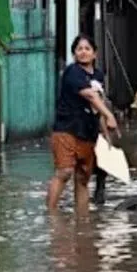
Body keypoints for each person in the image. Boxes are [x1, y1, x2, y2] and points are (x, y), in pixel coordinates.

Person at [48, 34, 120, 215]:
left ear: (94, 54)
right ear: (74, 54)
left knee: (82, 179)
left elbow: (97, 106)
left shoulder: (98, 75)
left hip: (88, 132)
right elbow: (90, 96)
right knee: (64, 172)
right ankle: (51, 215)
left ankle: (84, 222)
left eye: (87, 49)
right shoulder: (73, 72)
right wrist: (110, 114)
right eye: (79, 49)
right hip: (66, 129)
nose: (83, 52)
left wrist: (106, 135)